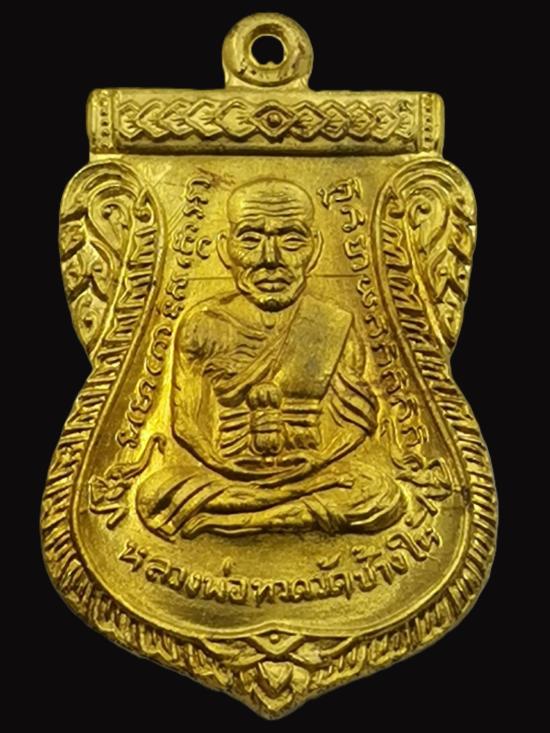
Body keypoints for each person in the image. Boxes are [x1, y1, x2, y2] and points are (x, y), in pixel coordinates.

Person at [136, 178, 406, 537]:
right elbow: (185, 423)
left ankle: (231, 519)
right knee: (153, 493)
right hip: (226, 474)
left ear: (315, 248)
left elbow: (356, 423)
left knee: (380, 493)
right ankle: (276, 508)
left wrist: (313, 465)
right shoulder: (204, 323)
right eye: (250, 239)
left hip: (313, 471)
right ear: (225, 249)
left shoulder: (333, 323)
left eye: (291, 240)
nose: (270, 259)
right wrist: (227, 468)